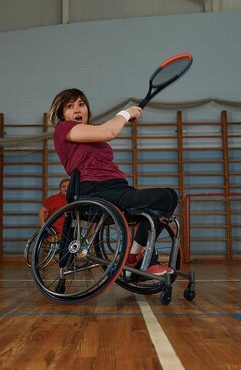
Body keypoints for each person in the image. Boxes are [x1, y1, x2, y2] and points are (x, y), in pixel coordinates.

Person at [49, 88, 178, 275]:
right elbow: (109, 131)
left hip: (118, 188)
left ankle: (134, 257)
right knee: (165, 197)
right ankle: (136, 259)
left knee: (168, 197)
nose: (77, 109)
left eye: (81, 104)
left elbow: (105, 132)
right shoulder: (63, 129)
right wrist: (126, 113)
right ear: (62, 114)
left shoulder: (91, 133)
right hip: (94, 191)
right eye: (70, 106)